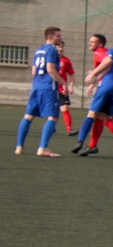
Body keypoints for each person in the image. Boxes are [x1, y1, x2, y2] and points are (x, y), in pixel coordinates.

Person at [71, 36, 113, 158]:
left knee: (92, 114)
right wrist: (95, 79)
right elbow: (112, 70)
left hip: (107, 86)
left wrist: (92, 74)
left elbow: (107, 63)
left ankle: (80, 142)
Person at [15, 26, 68, 157]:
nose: (60, 38)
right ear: (50, 37)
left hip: (36, 86)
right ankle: (43, 148)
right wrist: (63, 82)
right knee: (53, 117)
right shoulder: (52, 50)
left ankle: (19, 147)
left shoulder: (38, 50)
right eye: (58, 36)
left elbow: (34, 72)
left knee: (28, 116)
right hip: (48, 88)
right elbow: (50, 69)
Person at [55, 41, 78, 136]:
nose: (60, 49)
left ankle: (69, 129)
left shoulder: (66, 61)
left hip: (62, 89)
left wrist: (71, 86)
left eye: (61, 47)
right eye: (58, 47)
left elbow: (71, 74)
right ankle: (51, 127)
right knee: (52, 109)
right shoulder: (50, 59)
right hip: (50, 89)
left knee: (65, 108)